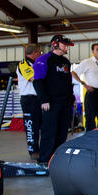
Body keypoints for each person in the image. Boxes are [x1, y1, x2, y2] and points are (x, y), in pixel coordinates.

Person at [32, 35, 75, 164]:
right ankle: (44, 160)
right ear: (55, 44)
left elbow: (68, 82)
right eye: (64, 44)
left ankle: (57, 159)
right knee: (49, 132)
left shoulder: (66, 62)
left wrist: (71, 98)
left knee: (62, 132)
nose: (66, 47)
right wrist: (43, 99)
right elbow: (38, 82)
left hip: (65, 102)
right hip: (51, 102)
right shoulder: (43, 60)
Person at [17, 43, 42, 161]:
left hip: (38, 98)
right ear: (35, 53)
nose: (41, 54)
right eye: (39, 52)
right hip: (29, 99)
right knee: (32, 126)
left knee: (42, 126)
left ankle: (42, 149)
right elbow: (33, 78)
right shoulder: (23, 64)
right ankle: (33, 151)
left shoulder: (36, 63)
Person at [71, 43, 98, 131]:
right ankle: (90, 140)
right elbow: (74, 73)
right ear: (93, 51)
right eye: (97, 49)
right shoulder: (87, 62)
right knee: (90, 118)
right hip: (92, 91)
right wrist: (84, 84)